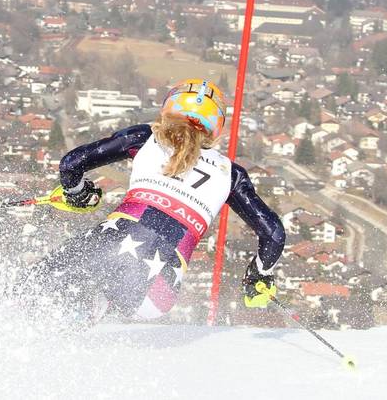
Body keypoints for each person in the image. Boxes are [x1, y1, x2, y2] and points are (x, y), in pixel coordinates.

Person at [20, 79, 285, 323]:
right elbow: (274, 234)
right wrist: (259, 274)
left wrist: (77, 193)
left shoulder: (145, 137)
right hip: (158, 292)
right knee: (105, 301)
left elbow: (71, 163)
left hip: (107, 250)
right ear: (216, 127)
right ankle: (94, 311)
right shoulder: (232, 174)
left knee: (35, 288)